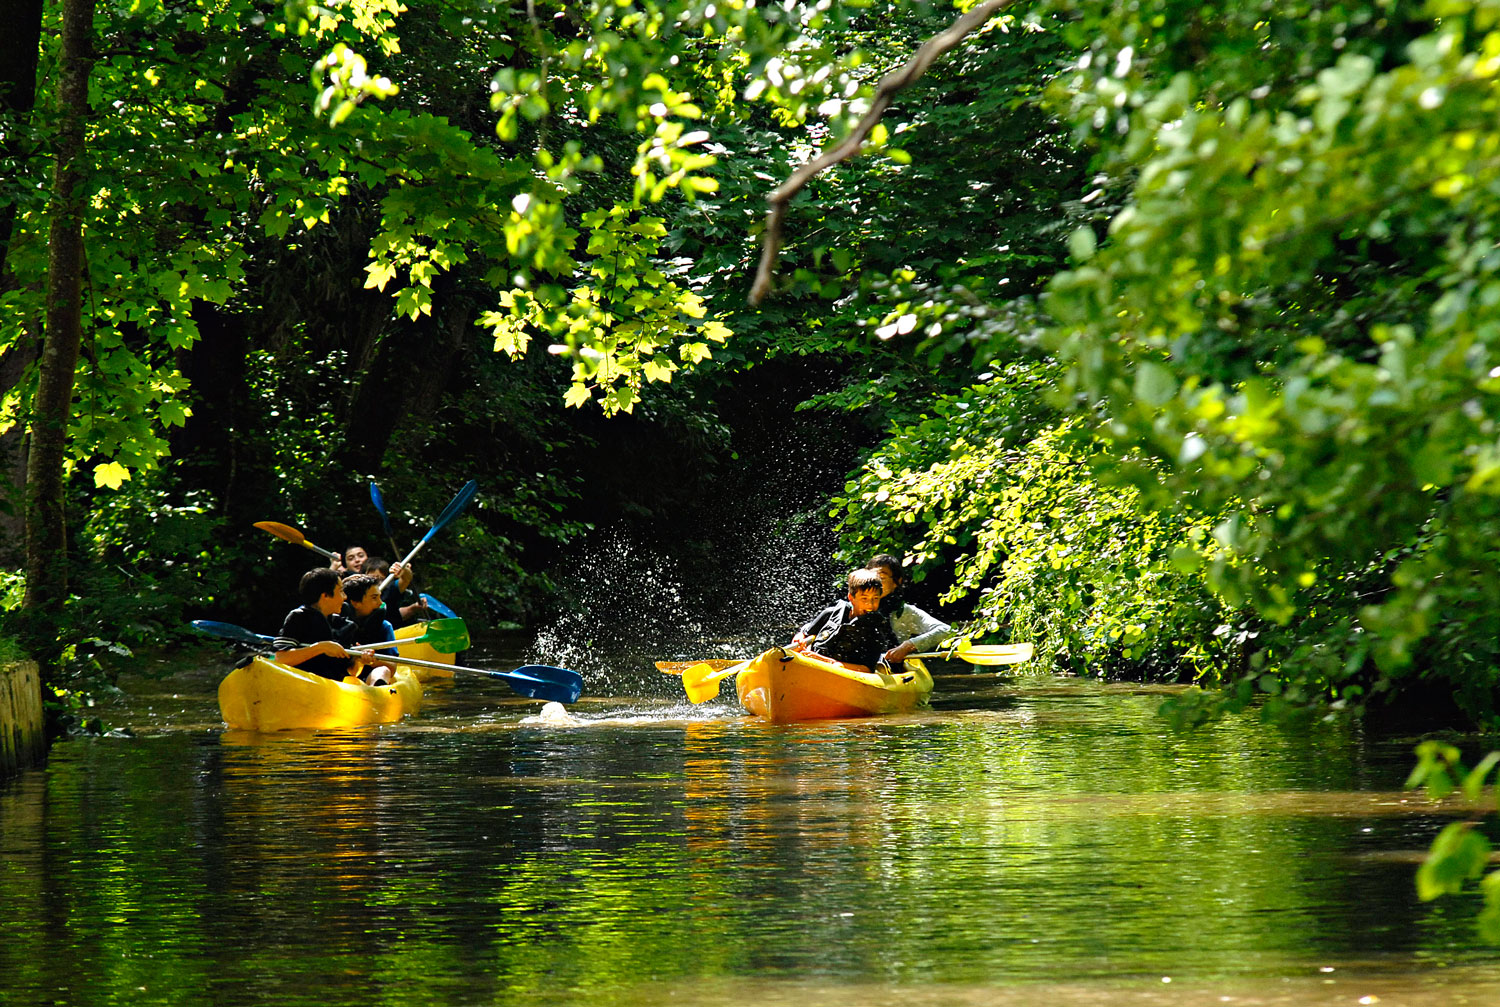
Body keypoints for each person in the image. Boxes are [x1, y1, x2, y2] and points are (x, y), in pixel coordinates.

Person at [274, 567, 394, 686]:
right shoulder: (298, 617)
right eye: (341, 591)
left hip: (331, 691)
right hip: (301, 687)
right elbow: (281, 658)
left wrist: (359, 660)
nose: (345, 597)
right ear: (325, 595)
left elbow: (351, 671)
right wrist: (320, 648)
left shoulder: (344, 625)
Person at [789, 568, 896, 673]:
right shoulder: (830, 614)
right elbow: (804, 633)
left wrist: (825, 662)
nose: (871, 605)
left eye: (875, 598)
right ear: (851, 597)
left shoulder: (876, 630)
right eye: (864, 598)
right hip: (813, 670)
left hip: (845, 678)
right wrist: (799, 637)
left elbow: (867, 669)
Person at [866, 553, 953, 665]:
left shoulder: (904, 612)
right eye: (872, 578)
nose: (876, 583)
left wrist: (908, 646)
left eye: (882, 578)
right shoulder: (853, 607)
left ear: (897, 582)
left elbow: (946, 631)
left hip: (892, 667)